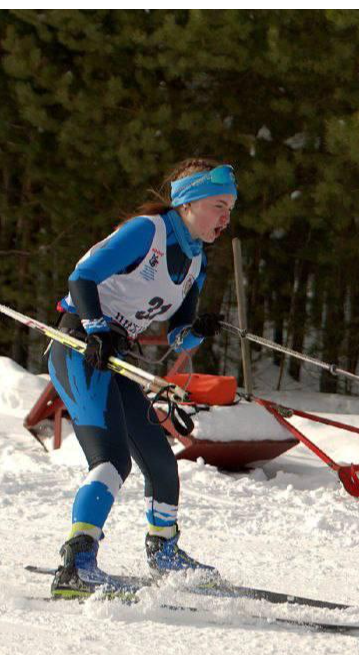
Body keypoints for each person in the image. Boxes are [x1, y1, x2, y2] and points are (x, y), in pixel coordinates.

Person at [48, 158, 236, 597]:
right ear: (188, 203)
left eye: (230, 209)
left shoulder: (196, 262)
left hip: (115, 355)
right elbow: (83, 276)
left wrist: (198, 331)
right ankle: (77, 563)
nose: (225, 218)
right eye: (218, 205)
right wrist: (95, 327)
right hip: (80, 347)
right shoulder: (147, 231)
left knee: (159, 457)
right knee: (112, 460)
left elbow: (178, 335)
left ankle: (164, 552)